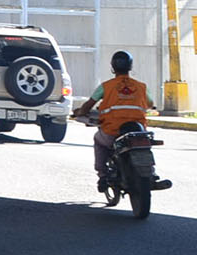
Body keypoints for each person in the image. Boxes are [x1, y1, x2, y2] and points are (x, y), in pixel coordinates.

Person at [71, 50, 167, 189]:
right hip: (138, 130)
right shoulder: (141, 86)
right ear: (130, 66)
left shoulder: (106, 86)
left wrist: (79, 112)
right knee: (145, 144)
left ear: (112, 67)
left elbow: (88, 105)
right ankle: (151, 173)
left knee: (98, 140)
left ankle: (103, 175)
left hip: (112, 131)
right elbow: (150, 104)